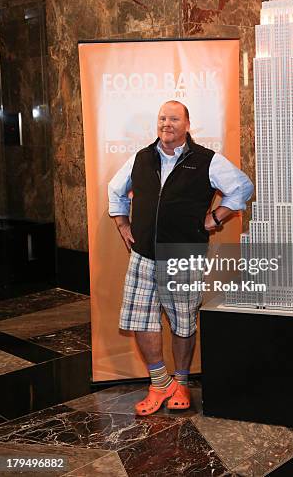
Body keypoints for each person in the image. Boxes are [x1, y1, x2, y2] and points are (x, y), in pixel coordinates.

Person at [108, 100, 253, 415]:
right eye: (162, 118)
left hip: (183, 255)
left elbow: (242, 187)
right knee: (140, 319)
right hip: (143, 254)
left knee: (183, 322)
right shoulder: (141, 158)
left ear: (187, 124)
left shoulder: (206, 160)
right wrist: (122, 223)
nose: (166, 124)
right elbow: (115, 189)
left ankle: (182, 382)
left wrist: (215, 219)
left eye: (174, 118)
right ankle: (160, 383)